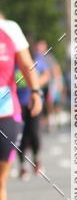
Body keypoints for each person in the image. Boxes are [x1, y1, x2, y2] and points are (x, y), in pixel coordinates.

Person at [0, 16, 42, 200]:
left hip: (6, 111)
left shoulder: (10, 29)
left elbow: (27, 65)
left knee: (1, 179)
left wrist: (35, 91)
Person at [15, 42, 50, 178]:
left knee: (34, 133)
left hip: (35, 103)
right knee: (21, 135)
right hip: (19, 104)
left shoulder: (37, 60)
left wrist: (34, 83)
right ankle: (22, 165)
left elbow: (46, 74)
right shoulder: (15, 61)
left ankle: (37, 160)